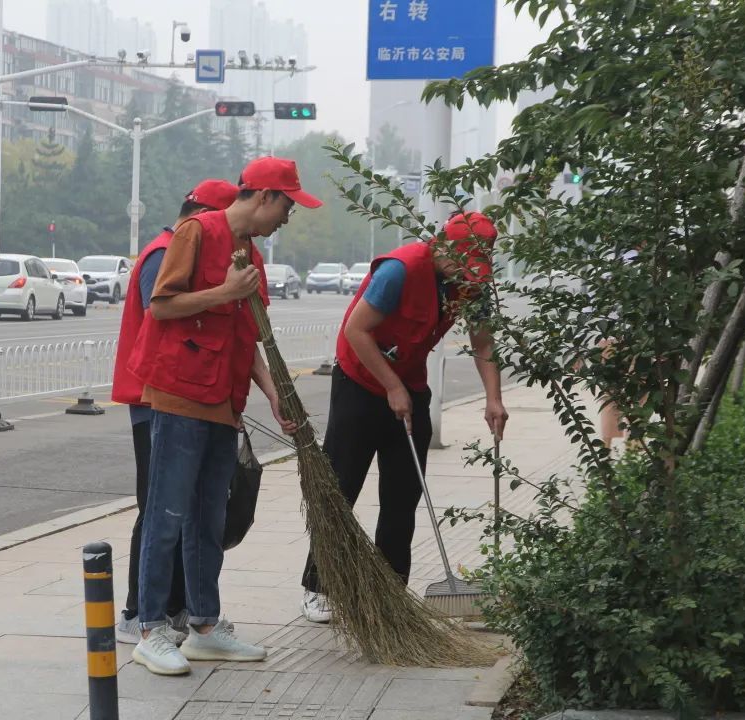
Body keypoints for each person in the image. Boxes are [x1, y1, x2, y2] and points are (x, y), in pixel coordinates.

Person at [127, 156, 322, 676]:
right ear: (264, 197)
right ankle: (149, 628)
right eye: (287, 206)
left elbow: (243, 336)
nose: (288, 217)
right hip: (178, 393)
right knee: (166, 513)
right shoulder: (197, 232)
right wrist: (224, 293)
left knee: (209, 517)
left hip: (222, 399)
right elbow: (162, 306)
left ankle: (205, 627)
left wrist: (273, 392)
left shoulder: (248, 252)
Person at [300, 211, 510, 624]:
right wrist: (391, 387)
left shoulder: (470, 284)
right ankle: (317, 586)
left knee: (403, 495)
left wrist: (494, 399)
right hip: (359, 380)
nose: (468, 275)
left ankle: (390, 591)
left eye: (476, 268)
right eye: (464, 264)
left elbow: (483, 341)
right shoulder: (399, 271)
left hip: (409, 383)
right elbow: (357, 331)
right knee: (341, 487)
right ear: (443, 247)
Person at [110, 178, 241, 646]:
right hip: (155, 398)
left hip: (189, 398)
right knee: (158, 508)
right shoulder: (165, 253)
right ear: (201, 215)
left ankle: (184, 611)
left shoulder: (190, 250)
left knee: (188, 510)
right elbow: (163, 317)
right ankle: (137, 614)